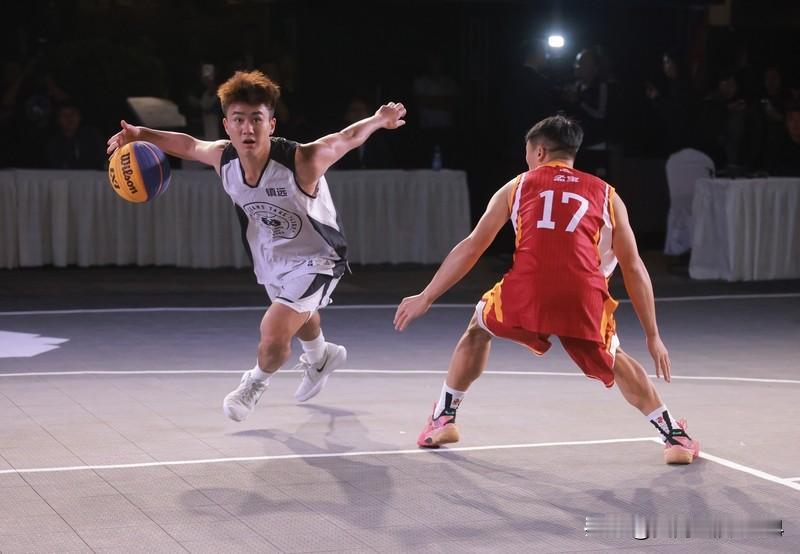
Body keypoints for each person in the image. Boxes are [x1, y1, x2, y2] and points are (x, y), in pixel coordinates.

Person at [394, 115, 700, 465]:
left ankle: (444, 418)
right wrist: (652, 335)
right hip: (582, 296)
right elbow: (634, 267)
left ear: (539, 151)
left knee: (479, 327)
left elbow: (472, 246)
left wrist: (427, 296)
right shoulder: (607, 195)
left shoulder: (517, 186)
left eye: (527, 151)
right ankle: (674, 436)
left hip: (525, 292)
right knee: (615, 359)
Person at [107, 70, 406, 421]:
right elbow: (187, 145)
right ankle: (321, 356)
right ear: (227, 126)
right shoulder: (224, 159)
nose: (247, 128)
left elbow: (345, 138)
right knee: (298, 314)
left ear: (271, 124)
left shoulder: (302, 161)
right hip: (272, 255)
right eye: (239, 120)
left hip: (318, 258)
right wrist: (141, 134)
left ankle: (254, 383)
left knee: (275, 328)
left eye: (256, 119)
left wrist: (380, 119)